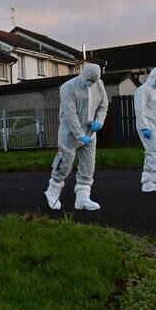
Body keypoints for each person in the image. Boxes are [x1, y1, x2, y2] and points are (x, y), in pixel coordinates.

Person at [44, 63, 108, 211]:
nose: (90, 84)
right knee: (64, 163)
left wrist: (99, 121)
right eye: (89, 80)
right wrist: (79, 134)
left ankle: (83, 198)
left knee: (88, 165)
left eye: (93, 81)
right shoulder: (68, 87)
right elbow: (70, 114)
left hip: (90, 132)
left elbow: (103, 105)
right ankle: (52, 191)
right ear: (83, 74)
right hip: (69, 134)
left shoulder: (99, 84)